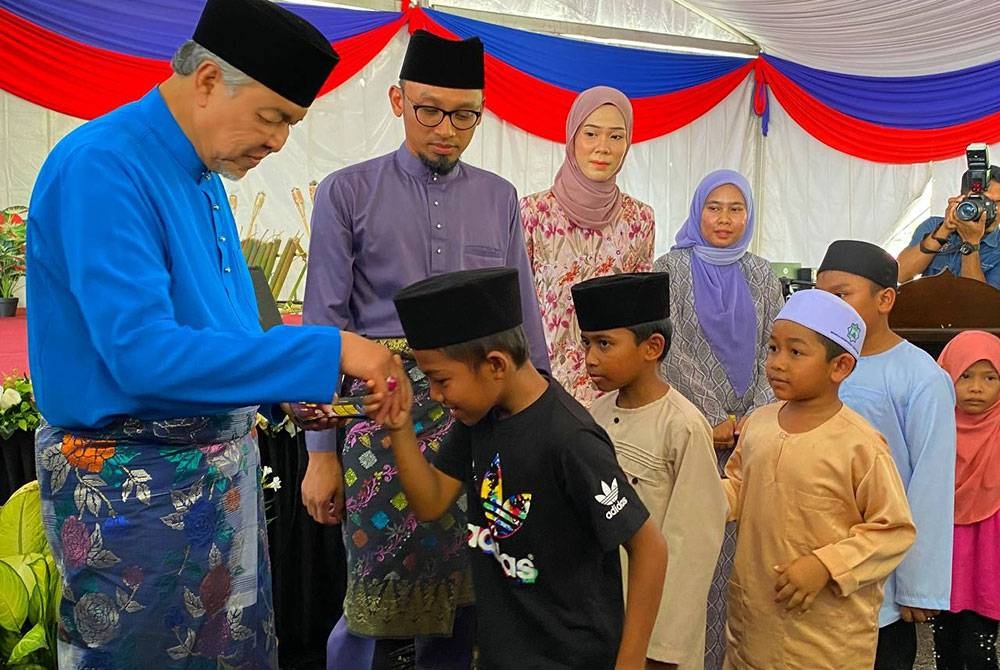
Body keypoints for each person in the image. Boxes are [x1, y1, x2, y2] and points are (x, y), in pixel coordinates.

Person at [25, 0, 403, 666]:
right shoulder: (104, 166)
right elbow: (143, 355)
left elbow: (224, 328)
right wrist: (329, 347)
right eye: (272, 117)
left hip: (216, 489)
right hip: (134, 494)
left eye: (290, 123)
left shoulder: (202, 174)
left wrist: (284, 389)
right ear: (206, 80)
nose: (279, 142)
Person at [302, 30, 549, 667]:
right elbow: (323, 328)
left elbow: (524, 321)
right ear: (397, 101)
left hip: (479, 418)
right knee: (372, 597)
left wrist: (539, 429)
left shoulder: (498, 198)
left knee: (469, 591)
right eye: (430, 110)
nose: (447, 129)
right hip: (381, 415)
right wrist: (320, 456)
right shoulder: (346, 192)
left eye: (465, 116)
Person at [379, 266, 667, 668]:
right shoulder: (479, 421)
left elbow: (650, 547)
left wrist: (630, 663)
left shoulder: (571, 439)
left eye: (440, 379)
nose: (436, 394)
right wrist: (399, 426)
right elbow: (430, 503)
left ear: (496, 364)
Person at [723, 288, 916, 670]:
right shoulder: (758, 423)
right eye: (773, 348)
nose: (777, 363)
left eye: (795, 352)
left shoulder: (860, 444)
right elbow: (738, 485)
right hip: (754, 625)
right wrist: (695, 495)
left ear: (840, 366)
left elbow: (893, 531)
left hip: (825, 639)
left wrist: (825, 565)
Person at [653, 169, 782, 669]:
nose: (724, 219)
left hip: (752, 438)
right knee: (692, 556)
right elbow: (668, 348)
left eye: (736, 209)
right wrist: (712, 415)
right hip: (692, 433)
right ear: (697, 210)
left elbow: (778, 345)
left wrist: (752, 416)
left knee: (744, 562)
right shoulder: (669, 270)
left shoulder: (762, 275)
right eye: (714, 208)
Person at [573, 272, 727, 670]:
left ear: (652, 347)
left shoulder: (683, 427)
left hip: (654, 641)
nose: (590, 358)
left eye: (604, 343)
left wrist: (661, 650)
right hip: (600, 621)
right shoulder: (593, 416)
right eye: (586, 343)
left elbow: (693, 546)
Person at [816, 240, 956, 670]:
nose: (829, 307)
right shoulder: (814, 365)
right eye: (821, 296)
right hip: (815, 561)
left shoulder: (920, 377)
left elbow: (931, 483)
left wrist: (918, 585)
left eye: (842, 294)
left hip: (883, 578)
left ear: (885, 300)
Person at [520, 86, 654, 406]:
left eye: (616, 136)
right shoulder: (533, 213)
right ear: (572, 138)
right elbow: (515, 307)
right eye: (591, 134)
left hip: (614, 393)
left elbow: (640, 318)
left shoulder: (639, 219)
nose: (602, 148)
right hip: (541, 389)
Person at [932, 330, 1000, 670]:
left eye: (990, 377)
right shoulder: (934, 424)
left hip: (990, 550)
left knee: (978, 650)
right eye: (965, 375)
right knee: (946, 646)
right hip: (945, 548)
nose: (976, 387)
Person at [897, 165, 1000, 288]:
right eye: (987, 202)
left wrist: (971, 243)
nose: (996, 210)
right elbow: (901, 275)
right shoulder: (934, 225)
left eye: (999, 203)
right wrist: (944, 229)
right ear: (963, 199)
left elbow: (978, 297)